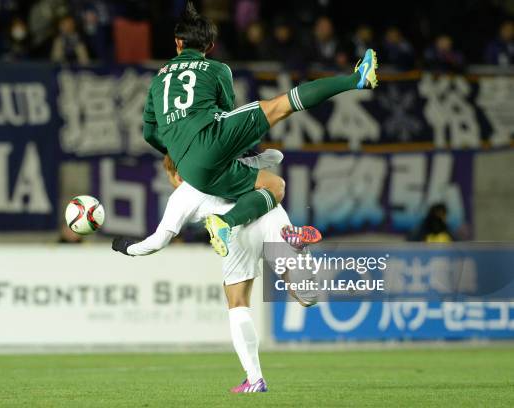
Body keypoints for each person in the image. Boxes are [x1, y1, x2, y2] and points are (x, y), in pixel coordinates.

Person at [142, 2, 377, 257]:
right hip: (211, 144)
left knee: (274, 186)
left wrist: (176, 152)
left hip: (191, 169)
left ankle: (227, 223)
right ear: (210, 47)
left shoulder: (158, 80)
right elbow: (227, 114)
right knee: (279, 107)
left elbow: (149, 133)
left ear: (177, 43)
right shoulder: (217, 69)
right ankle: (357, 79)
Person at [111, 150, 321, 393]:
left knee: (238, 301)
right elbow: (276, 157)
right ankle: (297, 245)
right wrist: (258, 155)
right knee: (307, 297)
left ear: (177, 174)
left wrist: (128, 248)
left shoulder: (184, 194)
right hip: (268, 211)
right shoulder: (227, 161)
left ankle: (255, 379)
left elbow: (158, 241)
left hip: (234, 230)